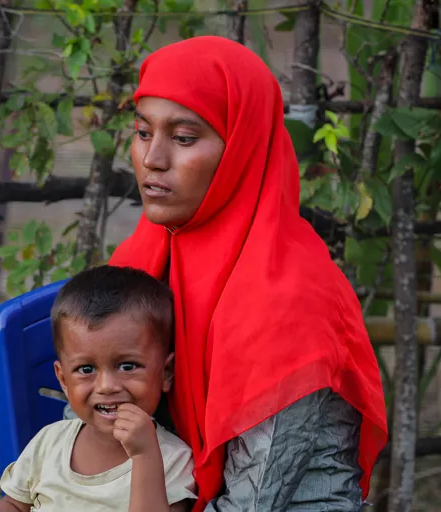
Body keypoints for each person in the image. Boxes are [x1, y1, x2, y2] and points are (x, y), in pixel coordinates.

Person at [105, 35, 389, 511]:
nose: (153, 158)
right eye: (142, 131)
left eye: (184, 138)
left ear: (241, 147)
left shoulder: (290, 295)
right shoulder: (142, 260)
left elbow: (251, 504)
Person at [0, 265, 197, 512]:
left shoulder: (172, 460)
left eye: (127, 366)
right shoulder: (49, 443)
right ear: (64, 380)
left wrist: (145, 457)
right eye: (86, 369)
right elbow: (13, 504)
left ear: (166, 373)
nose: (107, 386)